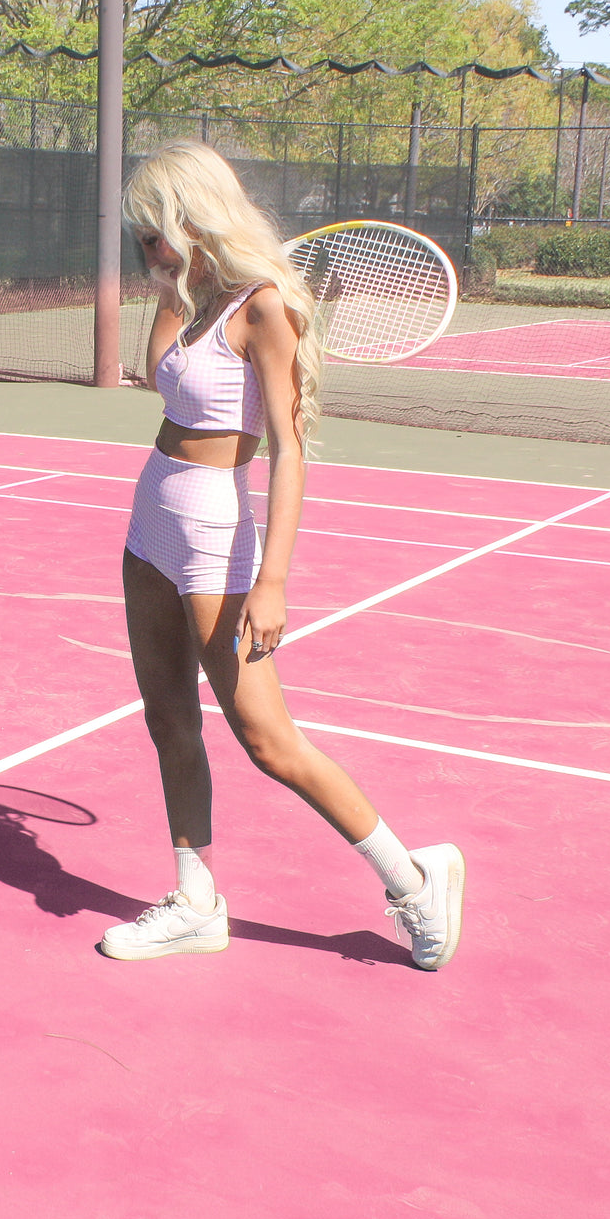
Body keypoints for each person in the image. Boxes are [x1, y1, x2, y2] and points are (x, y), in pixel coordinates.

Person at [101, 140, 465, 968]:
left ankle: (412, 881)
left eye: (153, 233)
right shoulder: (186, 295)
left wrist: (273, 580)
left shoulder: (266, 308)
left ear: (191, 217)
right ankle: (196, 902)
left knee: (267, 739)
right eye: (141, 238)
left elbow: (290, 451)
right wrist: (170, 281)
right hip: (150, 516)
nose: (146, 250)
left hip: (215, 534)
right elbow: (148, 372)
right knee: (169, 722)